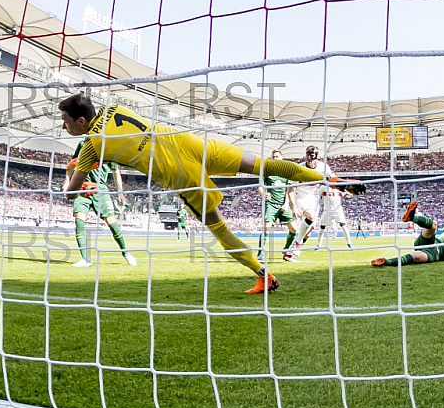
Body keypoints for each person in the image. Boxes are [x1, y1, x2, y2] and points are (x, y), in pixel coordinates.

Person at [58, 94, 365, 294]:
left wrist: (74, 172)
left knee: (219, 228)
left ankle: (263, 274)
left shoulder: (91, 146)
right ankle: (331, 180)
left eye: (66, 121)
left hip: (180, 174)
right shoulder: (115, 108)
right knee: (263, 164)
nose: (63, 126)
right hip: (194, 144)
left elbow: (71, 195)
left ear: (82, 121)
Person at [64, 142, 136, 267]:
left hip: (100, 189)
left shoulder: (109, 148)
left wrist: (120, 193)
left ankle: (126, 253)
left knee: (112, 223)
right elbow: (71, 164)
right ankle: (84, 259)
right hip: (82, 188)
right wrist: (67, 182)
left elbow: (116, 171)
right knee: (79, 221)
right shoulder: (82, 144)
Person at [371, 199, 444, 267]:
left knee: (416, 256)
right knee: (434, 225)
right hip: (429, 241)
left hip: (432, 255)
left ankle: (385, 261)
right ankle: (411, 217)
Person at [289, 145, 333, 260]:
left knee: (309, 230)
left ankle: (290, 251)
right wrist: (293, 207)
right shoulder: (298, 168)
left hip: (315, 199)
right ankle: (297, 245)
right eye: (309, 157)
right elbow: (290, 190)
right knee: (311, 216)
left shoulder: (324, 168)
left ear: (318, 157)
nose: (311, 161)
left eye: (313, 158)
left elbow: (333, 179)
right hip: (301, 197)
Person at [256, 149, 298, 262]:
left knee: (294, 229)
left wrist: (287, 204)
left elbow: (289, 191)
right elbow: (259, 187)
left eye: (277, 156)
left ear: (281, 158)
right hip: (271, 204)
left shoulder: (286, 173)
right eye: (273, 157)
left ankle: (286, 250)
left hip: (284, 205)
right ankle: (260, 253)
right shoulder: (267, 172)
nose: (275, 158)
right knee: (266, 228)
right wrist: (264, 194)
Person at [314, 185, 354, 250]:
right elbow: (317, 194)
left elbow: (348, 194)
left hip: (337, 210)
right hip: (327, 210)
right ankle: (318, 244)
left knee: (343, 225)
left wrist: (351, 193)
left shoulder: (339, 187)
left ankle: (349, 243)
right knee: (322, 227)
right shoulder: (323, 187)